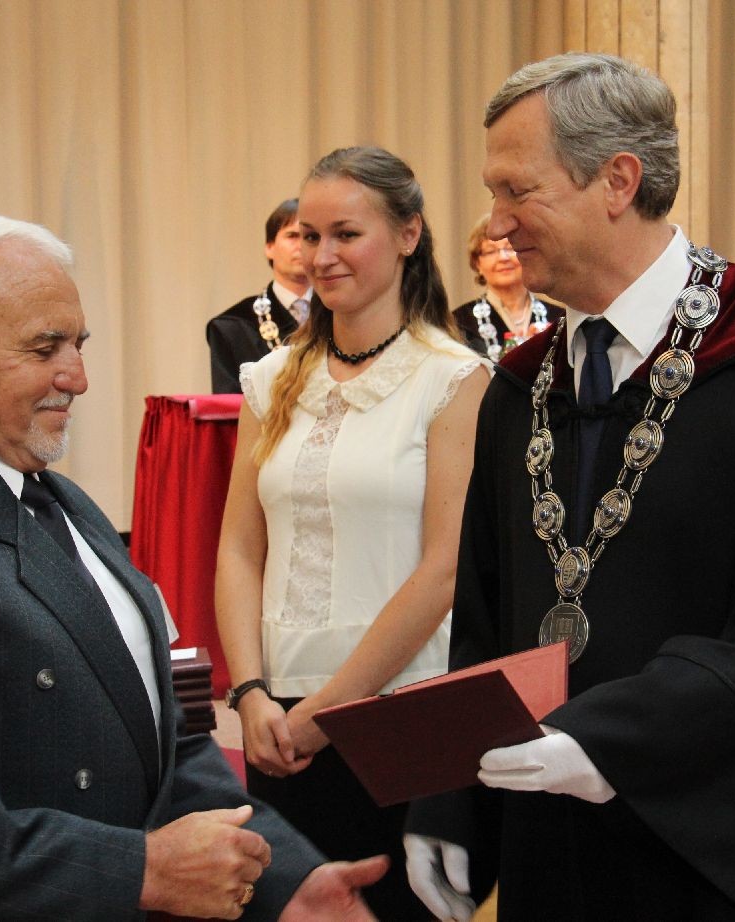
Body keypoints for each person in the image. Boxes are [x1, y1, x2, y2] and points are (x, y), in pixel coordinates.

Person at [404, 53, 735, 921]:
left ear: (618, 180)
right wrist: (454, 799)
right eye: (493, 194)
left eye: (517, 191)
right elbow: (490, 618)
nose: (496, 224)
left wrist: (611, 742)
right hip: (557, 843)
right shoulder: (520, 388)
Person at [0, 210, 387, 921]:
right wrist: (142, 870)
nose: (79, 378)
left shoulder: (67, 505)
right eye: (45, 347)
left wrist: (283, 878)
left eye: (79, 344)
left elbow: (173, 736)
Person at [215, 146, 490, 920]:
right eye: (309, 235)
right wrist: (251, 693)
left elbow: (444, 570)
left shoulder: (451, 378)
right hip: (278, 721)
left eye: (346, 234)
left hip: (402, 712)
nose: (321, 256)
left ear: (408, 235)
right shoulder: (271, 378)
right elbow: (239, 548)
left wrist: (328, 711)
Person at [207, 199, 313, 393]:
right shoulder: (233, 327)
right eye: (292, 236)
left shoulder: (343, 315)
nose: (302, 245)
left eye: (311, 237)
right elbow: (228, 405)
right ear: (269, 247)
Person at [451, 213, 563, 362]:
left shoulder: (558, 318)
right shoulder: (458, 322)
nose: (503, 258)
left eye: (510, 248)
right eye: (491, 251)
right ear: (477, 264)